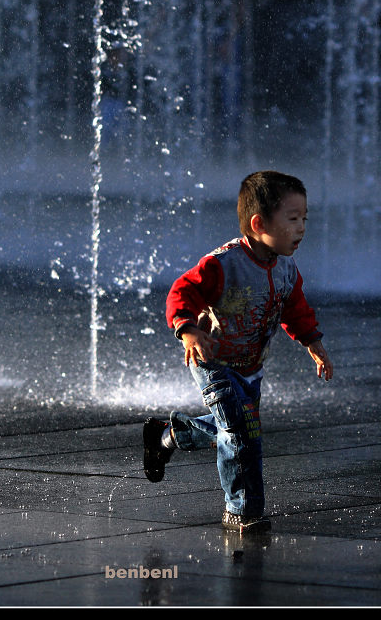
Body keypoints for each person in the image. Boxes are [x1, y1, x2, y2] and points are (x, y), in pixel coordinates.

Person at [143, 170, 333, 534]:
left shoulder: (286, 268)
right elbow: (181, 292)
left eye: (304, 219)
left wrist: (313, 342)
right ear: (259, 223)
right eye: (293, 219)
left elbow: (295, 308)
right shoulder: (223, 264)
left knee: (234, 430)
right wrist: (188, 330)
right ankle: (242, 511)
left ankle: (167, 435)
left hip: (250, 365)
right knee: (245, 435)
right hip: (213, 360)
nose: (302, 228)